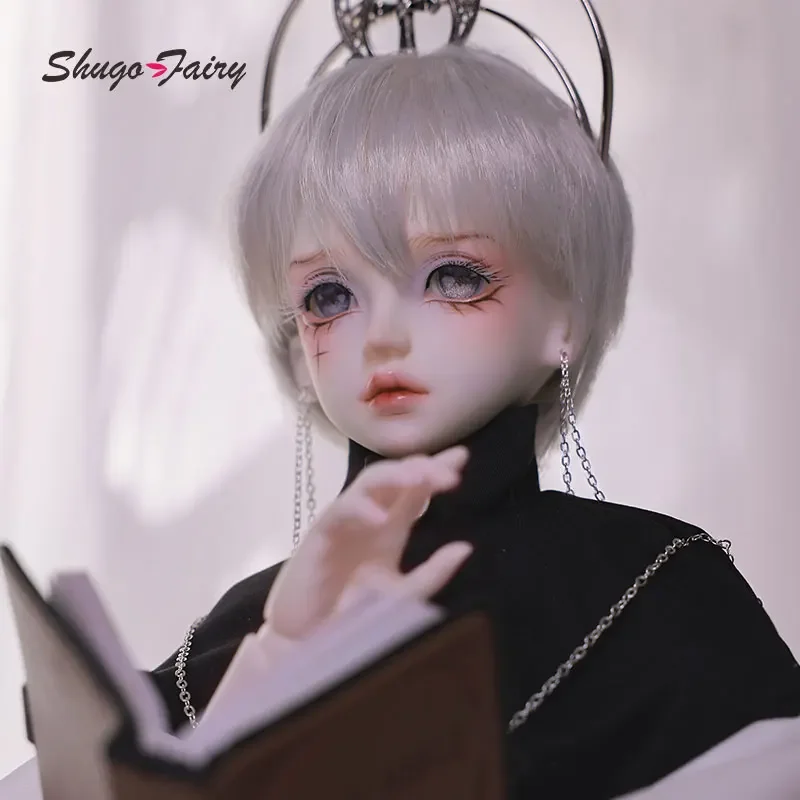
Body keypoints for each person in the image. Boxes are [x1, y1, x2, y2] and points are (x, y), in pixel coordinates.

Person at [133, 35, 800, 799]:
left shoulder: (654, 591)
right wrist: (266, 670)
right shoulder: (245, 628)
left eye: (453, 277)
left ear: (565, 319)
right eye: (330, 296)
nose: (383, 335)